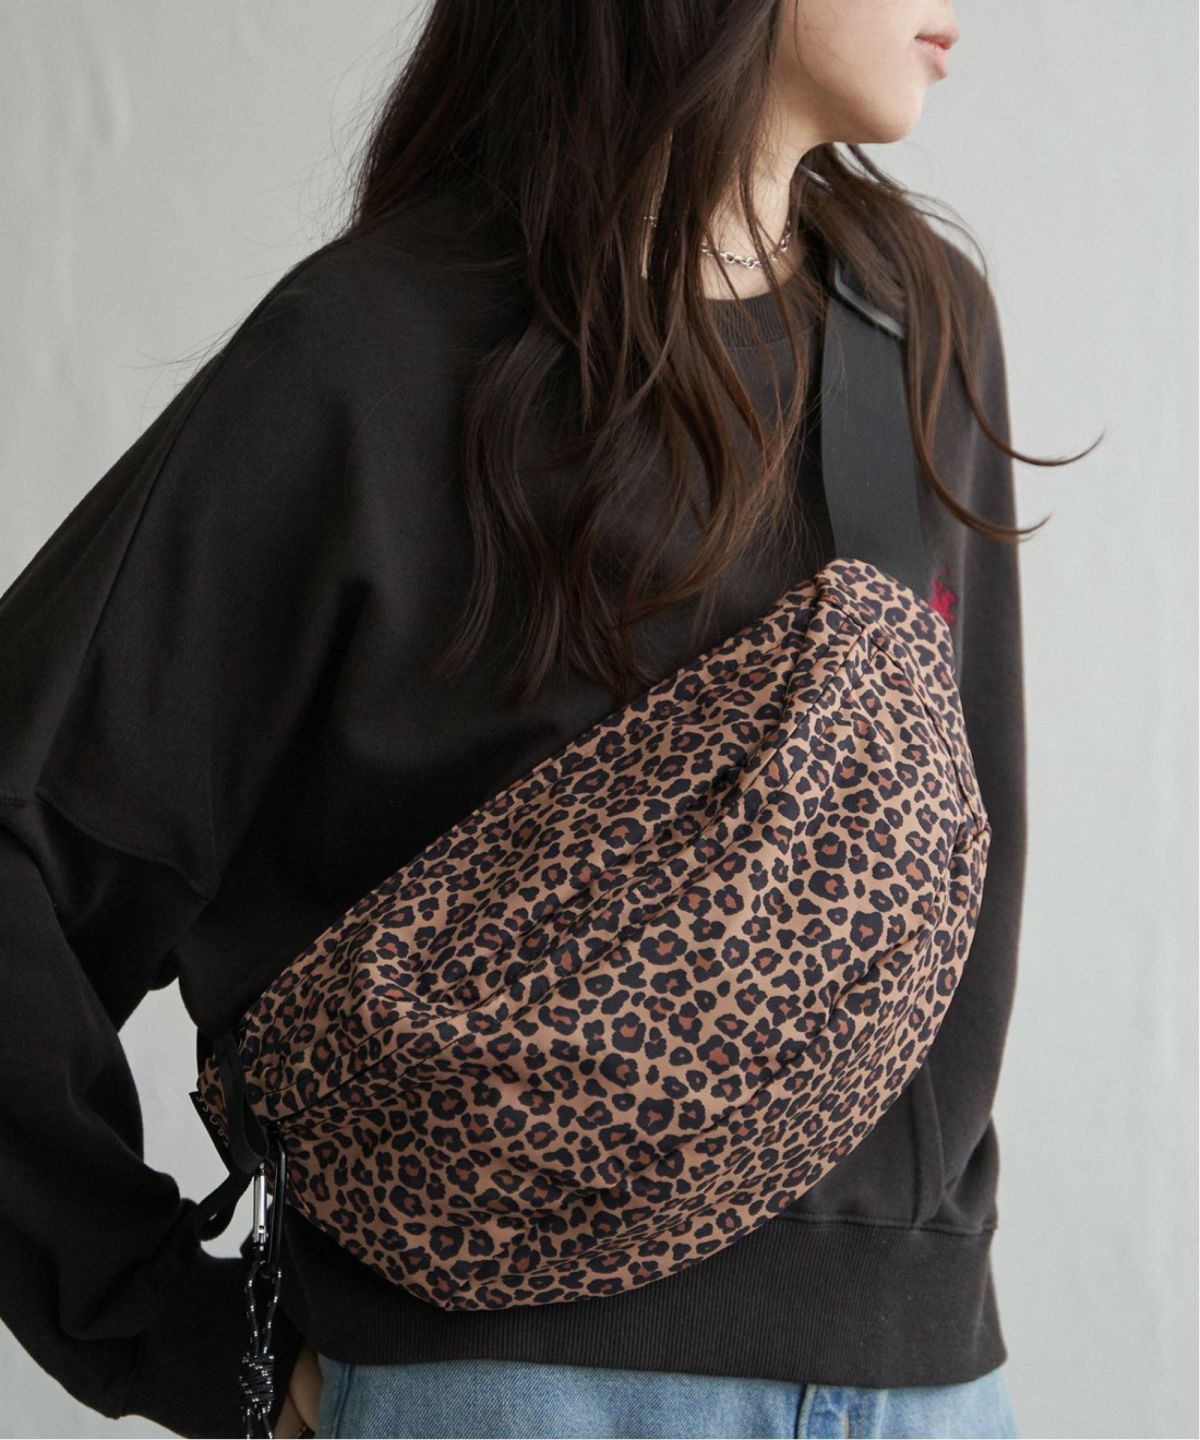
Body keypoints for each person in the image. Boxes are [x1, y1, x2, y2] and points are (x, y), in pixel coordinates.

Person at [0, 1, 1092, 1436]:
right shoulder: (378, 348)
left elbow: (958, 882)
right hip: (519, 1393)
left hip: (926, 1385)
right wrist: (176, 1330)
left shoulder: (917, 325)